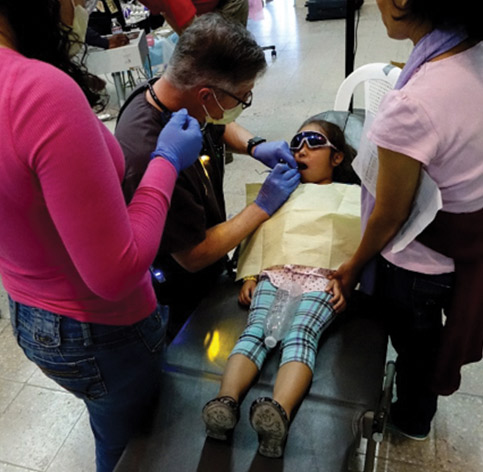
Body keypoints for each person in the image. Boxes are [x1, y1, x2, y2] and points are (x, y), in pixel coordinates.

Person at [0, 1, 202, 471]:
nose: (73, 9)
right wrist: (166, 161)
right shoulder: (37, 91)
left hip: (31, 313)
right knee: (138, 448)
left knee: (112, 425)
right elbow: (117, 270)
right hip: (100, 331)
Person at [333, 0, 483, 441]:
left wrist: (353, 265)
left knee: (415, 345)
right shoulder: (470, 51)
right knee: (426, 337)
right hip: (462, 248)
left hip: (419, 266)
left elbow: (391, 214)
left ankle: (412, 418)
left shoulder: (412, 105)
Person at [115, 12, 300, 340]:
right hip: (181, 295)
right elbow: (193, 255)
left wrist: (255, 146)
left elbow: (218, 122)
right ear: (206, 94)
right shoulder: (147, 155)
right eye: (243, 97)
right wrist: (261, 206)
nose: (244, 104)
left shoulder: (176, 96)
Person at [202, 118, 361, 458]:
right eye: (296, 141)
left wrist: (348, 281)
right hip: (273, 275)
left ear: (336, 158)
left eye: (313, 142)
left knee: (301, 335)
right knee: (254, 332)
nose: (301, 148)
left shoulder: (350, 200)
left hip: (323, 279)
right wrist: (248, 274)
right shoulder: (279, 189)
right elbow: (258, 232)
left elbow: (359, 245)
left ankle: (278, 413)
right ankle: (224, 403)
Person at [139, 0, 248, 34]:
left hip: (229, 2)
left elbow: (194, 31)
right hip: (205, 7)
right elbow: (167, 13)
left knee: (227, 54)